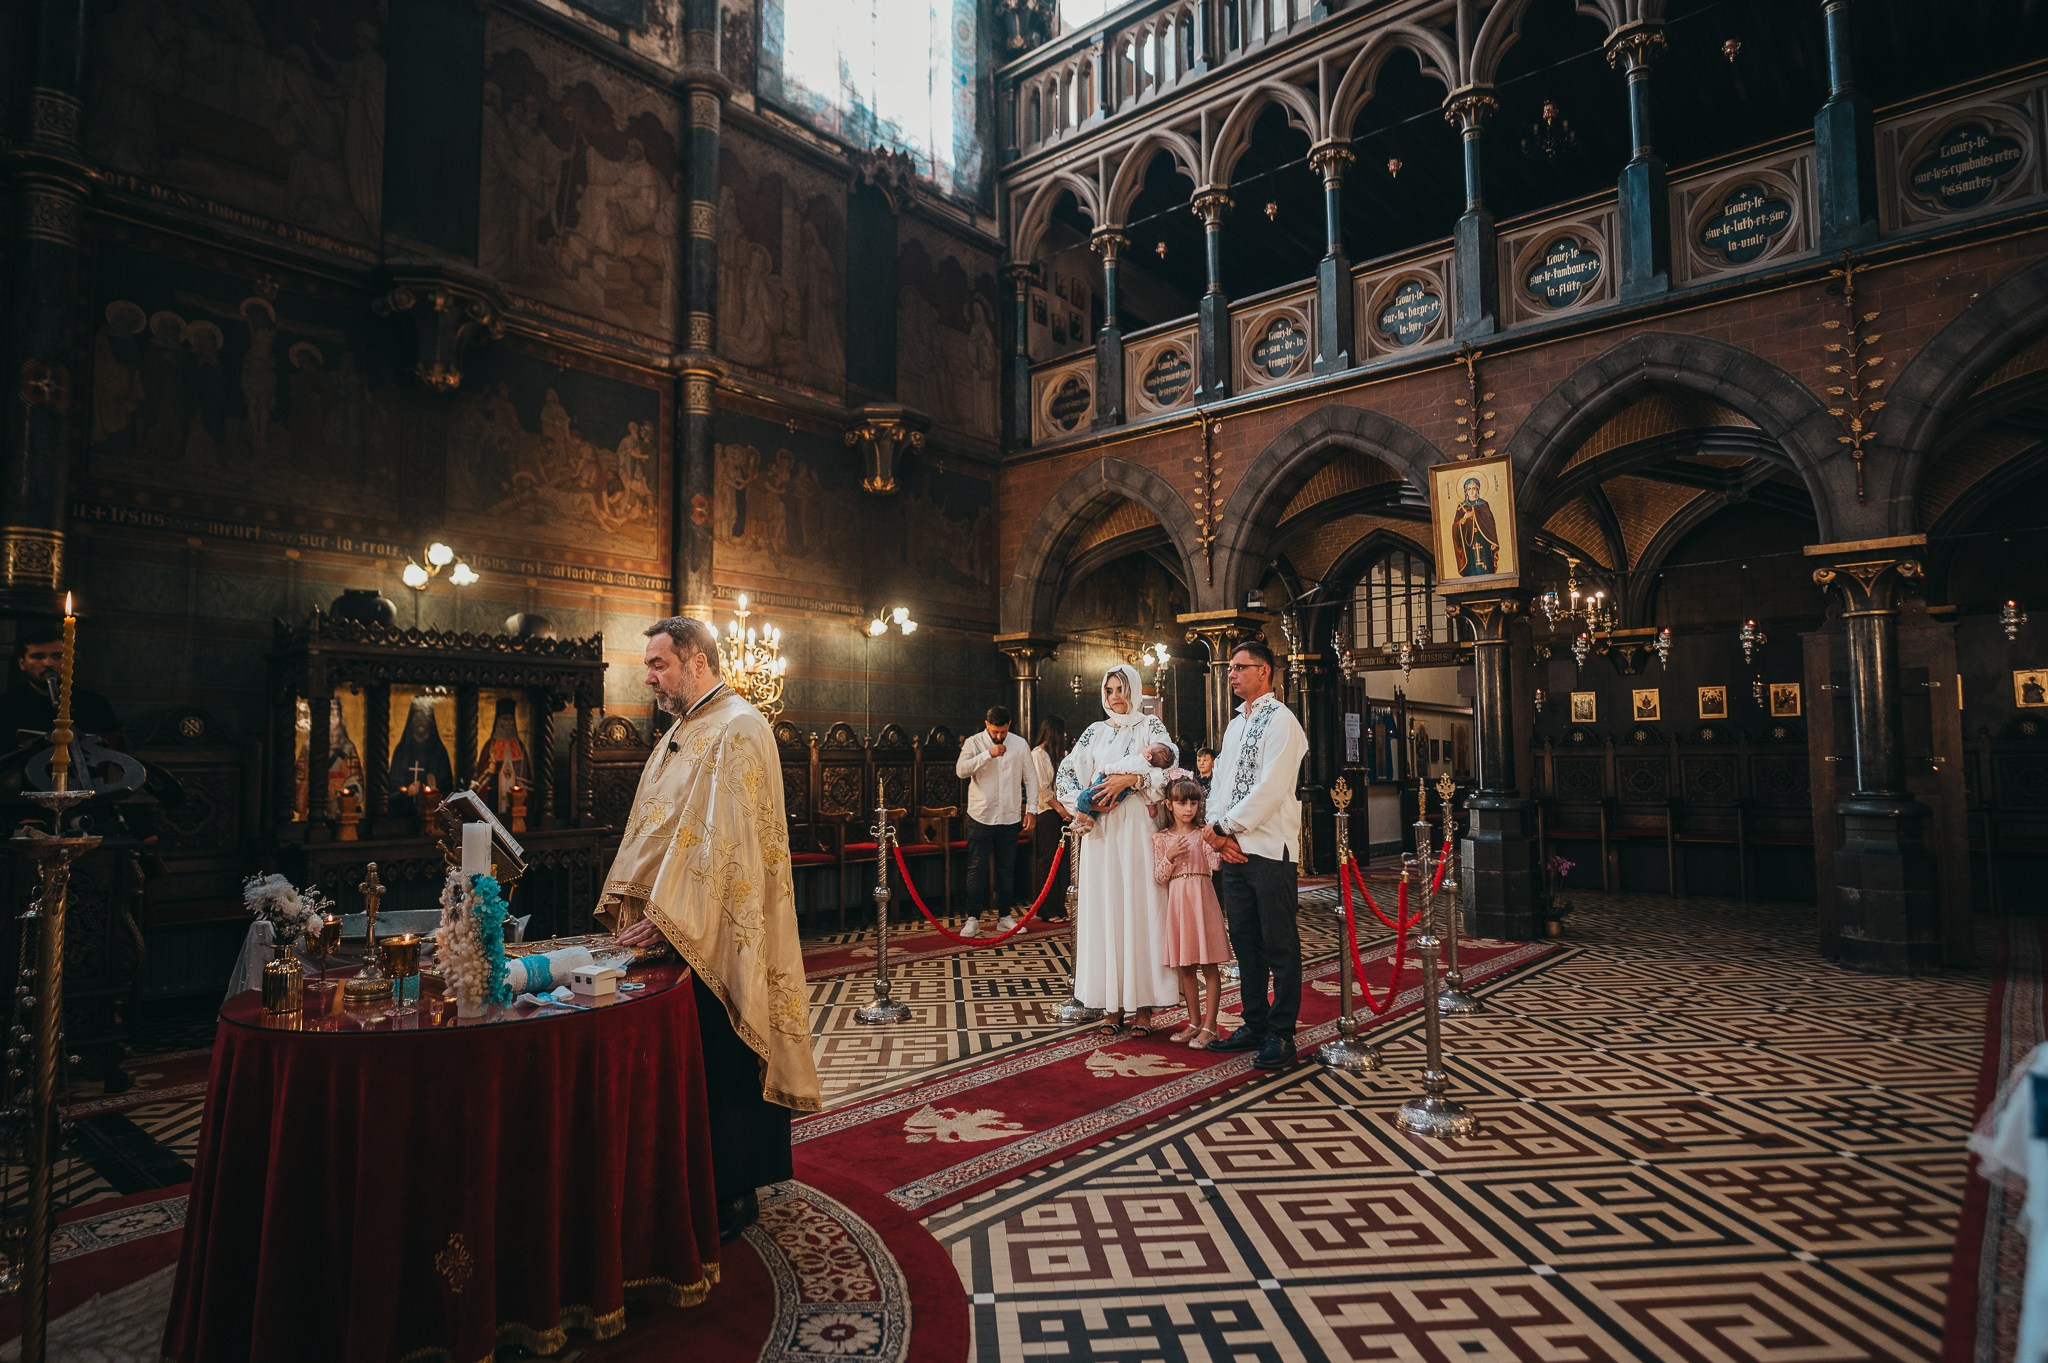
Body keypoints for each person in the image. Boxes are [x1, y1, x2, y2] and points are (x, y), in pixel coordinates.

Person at [605, 617, 823, 1242]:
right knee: (689, 1059)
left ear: (697, 662)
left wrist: (671, 912)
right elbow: (657, 827)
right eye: (648, 666)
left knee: (723, 1052)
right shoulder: (683, 730)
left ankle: (734, 1190)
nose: (649, 677)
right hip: (671, 926)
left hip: (719, 925)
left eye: (659, 664)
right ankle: (690, 1175)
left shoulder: (740, 726)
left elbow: (729, 841)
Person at [1055, 665, 1180, 1036]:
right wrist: (1084, 805)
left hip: (1139, 831)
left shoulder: (1150, 726)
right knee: (1106, 912)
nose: (1115, 697)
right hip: (1102, 835)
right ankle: (1111, 1006)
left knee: (1141, 911)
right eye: (1109, 690)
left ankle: (1143, 1008)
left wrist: (1135, 778)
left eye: (1122, 689)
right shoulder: (1094, 731)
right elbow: (1066, 774)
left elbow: (1170, 772)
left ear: (1135, 690)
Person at [1204, 639, 1310, 1071]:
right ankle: (1255, 1023)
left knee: (1279, 943)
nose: (1230, 674)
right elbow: (1220, 784)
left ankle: (1281, 1033)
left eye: (1239, 667)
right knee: (1246, 943)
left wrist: (1225, 828)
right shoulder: (1234, 726)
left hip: (1269, 850)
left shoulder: (1283, 722)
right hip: (1233, 852)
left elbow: (1272, 788)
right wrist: (1215, 831)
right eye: (1230, 668)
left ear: (1264, 671)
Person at [1153, 777, 1229, 1049]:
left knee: (1209, 964)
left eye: (1193, 803)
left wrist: (1213, 841)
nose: (1188, 808)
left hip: (1202, 899)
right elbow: (1159, 876)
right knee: (1185, 966)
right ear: (1169, 805)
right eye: (1182, 803)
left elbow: (1216, 864)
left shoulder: (1202, 834)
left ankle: (1211, 1025)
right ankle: (1194, 1022)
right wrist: (1170, 855)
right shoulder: (1161, 838)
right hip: (1178, 902)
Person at [954, 704, 1040, 936]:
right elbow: (961, 770)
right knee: (976, 868)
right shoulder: (974, 743)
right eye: (994, 731)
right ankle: (973, 919)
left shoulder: (1020, 744)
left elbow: (1031, 778)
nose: (999, 736)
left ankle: (1004, 917)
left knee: (1006, 869)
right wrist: (987, 755)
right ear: (987, 725)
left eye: (1003, 731)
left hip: (1009, 815)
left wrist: (1031, 809)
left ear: (1009, 725)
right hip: (980, 815)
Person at [0, 617, 122, 748]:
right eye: (38, 656)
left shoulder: (95, 705)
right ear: (22, 663)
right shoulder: (6, 706)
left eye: (57, 656)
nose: (48, 663)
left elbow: (117, 754)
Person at [1030, 716, 1071, 921]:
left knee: (1063, 862)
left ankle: (1059, 906)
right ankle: (1047, 909)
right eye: (1062, 732)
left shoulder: (1058, 755)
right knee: (1048, 861)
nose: (1065, 735)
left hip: (1062, 812)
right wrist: (1061, 810)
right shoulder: (1038, 755)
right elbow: (1043, 789)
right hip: (1047, 813)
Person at [1073, 741, 1174, 821]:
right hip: (1123, 794)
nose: (1145, 746)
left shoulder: (1138, 761)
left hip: (1109, 780)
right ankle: (1090, 820)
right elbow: (1148, 789)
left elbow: (1122, 766)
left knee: (1086, 796)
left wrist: (1107, 769)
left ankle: (1081, 817)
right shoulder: (1153, 770)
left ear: (1149, 756)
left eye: (1148, 747)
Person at [1451, 475, 1500, 576]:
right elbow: (1455, 527)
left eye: (1474, 488)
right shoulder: (1461, 507)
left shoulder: (1483, 505)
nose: (1472, 491)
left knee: (1486, 565)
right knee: (1472, 567)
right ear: (1466, 491)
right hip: (1468, 543)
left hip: (1484, 540)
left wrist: (1493, 540)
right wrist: (1464, 518)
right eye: (1469, 489)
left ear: (1478, 490)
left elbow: (1490, 524)